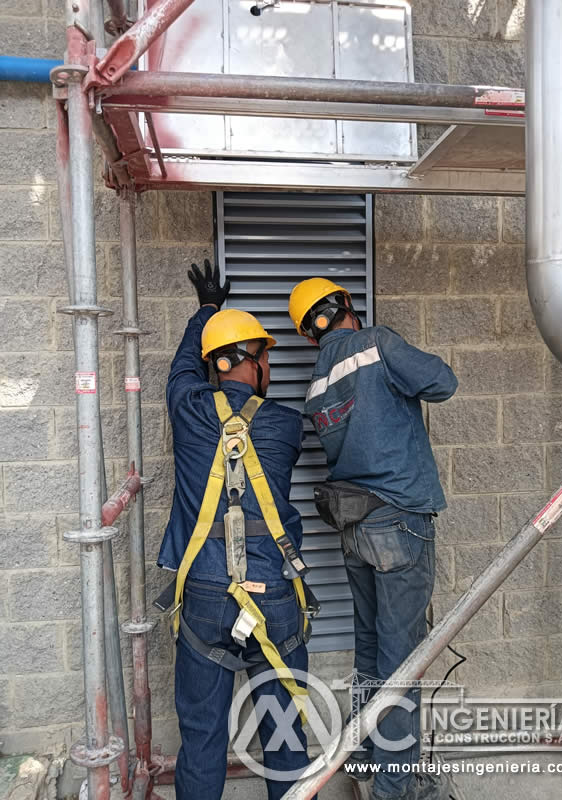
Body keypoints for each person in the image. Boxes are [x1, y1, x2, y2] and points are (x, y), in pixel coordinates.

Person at [288, 277, 458, 800]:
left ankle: (367, 758)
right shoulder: (378, 344)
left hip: (355, 528)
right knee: (401, 662)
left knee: (369, 652)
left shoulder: (316, 382)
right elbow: (442, 382)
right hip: (400, 524)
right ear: (345, 307)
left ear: (309, 331)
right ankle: (396, 789)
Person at [157, 260, 315, 800]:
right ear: (255, 361)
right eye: (267, 354)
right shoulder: (287, 426)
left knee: (202, 738)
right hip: (272, 593)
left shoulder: (187, 407)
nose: (271, 363)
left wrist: (205, 310)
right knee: (286, 733)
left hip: (203, 590)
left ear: (212, 367)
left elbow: (182, 369)